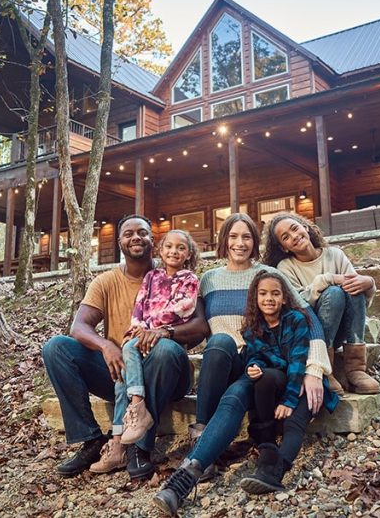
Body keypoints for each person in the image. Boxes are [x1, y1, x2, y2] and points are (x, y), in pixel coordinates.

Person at [153, 213, 331, 515]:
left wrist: (315, 369)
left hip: (257, 363)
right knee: (220, 341)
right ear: (224, 241)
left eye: (246, 237)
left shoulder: (266, 275)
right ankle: (202, 433)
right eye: (233, 236)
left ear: (254, 242)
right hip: (221, 362)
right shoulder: (208, 280)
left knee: (236, 396)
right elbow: (196, 328)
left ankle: (186, 476)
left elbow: (307, 316)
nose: (239, 243)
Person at [42, 215, 208, 481]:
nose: (135, 238)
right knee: (56, 348)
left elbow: (201, 327)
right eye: (128, 233)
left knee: (163, 350)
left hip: (169, 371)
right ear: (119, 241)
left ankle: (139, 447)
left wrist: (165, 332)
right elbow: (79, 327)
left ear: (153, 240)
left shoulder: (178, 275)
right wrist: (106, 345)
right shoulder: (106, 281)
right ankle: (91, 440)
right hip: (122, 372)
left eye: (142, 232)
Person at [90, 230, 200, 472]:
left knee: (131, 351)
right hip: (142, 339)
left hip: (165, 346)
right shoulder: (152, 276)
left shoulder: (189, 279)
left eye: (181, 248)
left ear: (188, 254)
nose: (174, 251)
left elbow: (184, 307)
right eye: (169, 247)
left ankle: (138, 407)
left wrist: (154, 327)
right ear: (160, 250)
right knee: (120, 381)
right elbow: (139, 306)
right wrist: (138, 328)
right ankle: (118, 442)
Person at [240, 270, 339, 494]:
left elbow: (297, 362)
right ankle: (266, 443)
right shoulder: (251, 328)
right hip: (281, 380)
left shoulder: (296, 320)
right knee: (264, 377)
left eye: (275, 294)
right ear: (255, 298)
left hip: (302, 381)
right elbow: (256, 355)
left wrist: (289, 401)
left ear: (284, 298)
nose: (269, 299)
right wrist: (252, 367)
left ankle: (276, 472)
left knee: (294, 422)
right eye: (263, 293)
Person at [263, 212, 380, 395]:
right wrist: (328, 279)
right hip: (312, 336)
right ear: (284, 247)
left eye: (295, 228)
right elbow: (298, 304)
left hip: (342, 329)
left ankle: (356, 369)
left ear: (306, 228)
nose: (294, 236)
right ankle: (326, 370)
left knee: (354, 288)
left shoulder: (335, 255)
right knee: (334, 292)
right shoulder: (285, 268)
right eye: (286, 237)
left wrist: (369, 284)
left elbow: (359, 300)